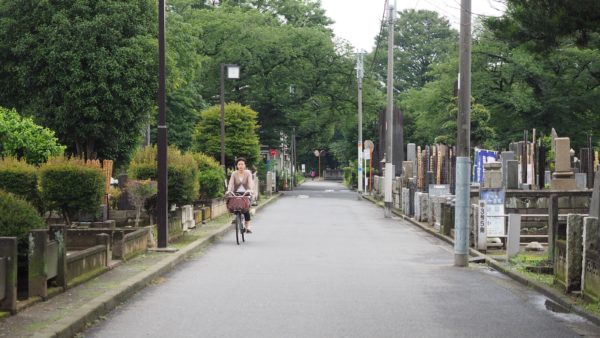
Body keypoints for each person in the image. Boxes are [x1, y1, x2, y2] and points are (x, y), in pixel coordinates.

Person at [227, 158, 254, 233]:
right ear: (237, 166)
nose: (241, 166)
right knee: (234, 205)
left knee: (246, 209)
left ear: (245, 165)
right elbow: (231, 183)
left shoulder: (248, 173)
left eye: (242, 164)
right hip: (236, 192)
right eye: (239, 164)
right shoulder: (234, 173)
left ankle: (248, 226)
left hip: (246, 192)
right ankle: (237, 217)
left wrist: (250, 189)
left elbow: (250, 182)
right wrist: (229, 190)